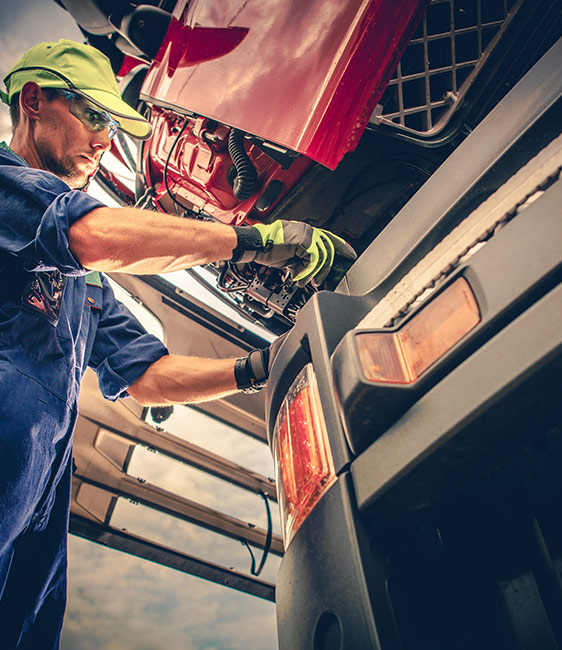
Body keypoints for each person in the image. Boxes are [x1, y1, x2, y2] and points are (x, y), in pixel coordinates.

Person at [0, 39, 356, 649]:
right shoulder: (10, 188)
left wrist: (262, 366)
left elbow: (150, 376)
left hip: (33, 495)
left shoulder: (82, 290)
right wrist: (250, 239)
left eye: (114, 125)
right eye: (95, 116)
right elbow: (92, 232)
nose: (106, 139)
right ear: (34, 101)